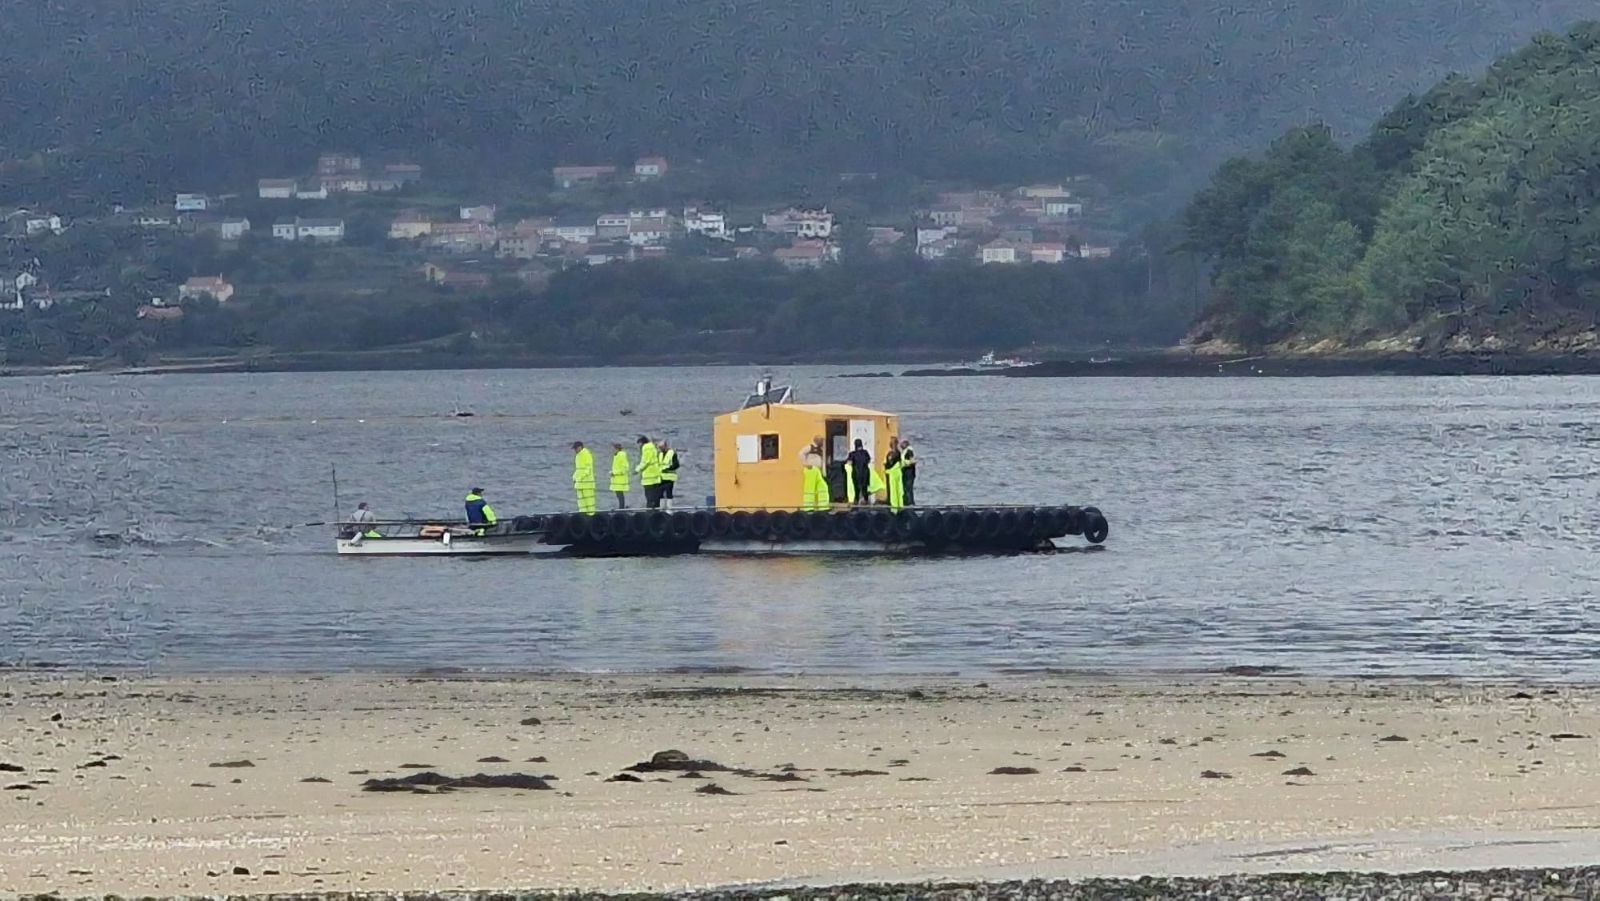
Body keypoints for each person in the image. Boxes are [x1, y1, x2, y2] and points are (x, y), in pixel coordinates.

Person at [800, 436, 827, 510]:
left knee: (822, 487)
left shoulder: (820, 450)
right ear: (817, 441)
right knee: (810, 489)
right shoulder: (810, 447)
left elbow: (823, 461)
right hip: (810, 470)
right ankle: (808, 508)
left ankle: (823, 506)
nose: (822, 443)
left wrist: (823, 473)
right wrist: (805, 464)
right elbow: (801, 453)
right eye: (821, 441)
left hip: (818, 471)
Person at [636, 434, 663, 509]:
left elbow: (645, 461)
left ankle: (649, 512)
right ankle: (657, 511)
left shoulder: (646, 448)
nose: (639, 446)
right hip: (655, 477)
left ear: (642, 442)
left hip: (648, 478)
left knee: (649, 497)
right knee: (656, 496)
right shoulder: (653, 447)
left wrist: (637, 469)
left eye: (639, 444)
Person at [845, 439, 872, 505]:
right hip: (865, 473)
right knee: (864, 488)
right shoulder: (865, 452)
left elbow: (849, 462)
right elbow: (868, 460)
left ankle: (856, 500)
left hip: (856, 473)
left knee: (856, 488)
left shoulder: (852, 454)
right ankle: (865, 500)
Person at [572, 441, 597, 515]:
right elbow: (578, 469)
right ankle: (582, 515)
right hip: (579, 483)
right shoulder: (577, 456)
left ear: (580, 447)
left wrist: (580, 477)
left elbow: (588, 469)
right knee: (581, 501)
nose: (575, 450)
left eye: (576, 448)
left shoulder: (586, 454)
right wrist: (574, 477)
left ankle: (591, 515)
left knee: (589, 501)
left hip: (587, 483)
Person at [658, 439, 680, 511]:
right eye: (659, 447)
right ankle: (661, 509)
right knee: (660, 494)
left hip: (669, 477)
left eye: (662, 447)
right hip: (661, 477)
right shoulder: (660, 454)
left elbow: (676, 465)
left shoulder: (672, 453)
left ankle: (669, 510)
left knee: (668, 493)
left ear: (665, 446)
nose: (660, 449)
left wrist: (668, 468)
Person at [883, 439, 904, 510]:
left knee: (893, 491)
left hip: (892, 472)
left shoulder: (891, 454)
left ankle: (894, 508)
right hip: (898, 471)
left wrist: (885, 466)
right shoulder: (899, 452)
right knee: (899, 490)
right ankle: (901, 506)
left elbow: (888, 463)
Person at [609, 443, 630, 509]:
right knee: (619, 494)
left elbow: (625, 468)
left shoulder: (621, 455)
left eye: (613, 449)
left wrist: (614, 473)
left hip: (620, 480)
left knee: (620, 494)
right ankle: (621, 507)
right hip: (617, 480)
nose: (612, 450)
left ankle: (621, 508)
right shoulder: (616, 456)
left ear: (617, 449)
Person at [899, 439, 917, 506]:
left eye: (902, 444)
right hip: (905, 471)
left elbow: (913, 461)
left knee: (908, 487)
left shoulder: (909, 451)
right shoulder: (904, 452)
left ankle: (910, 502)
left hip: (909, 472)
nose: (900, 445)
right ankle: (906, 501)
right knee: (905, 488)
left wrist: (907, 463)